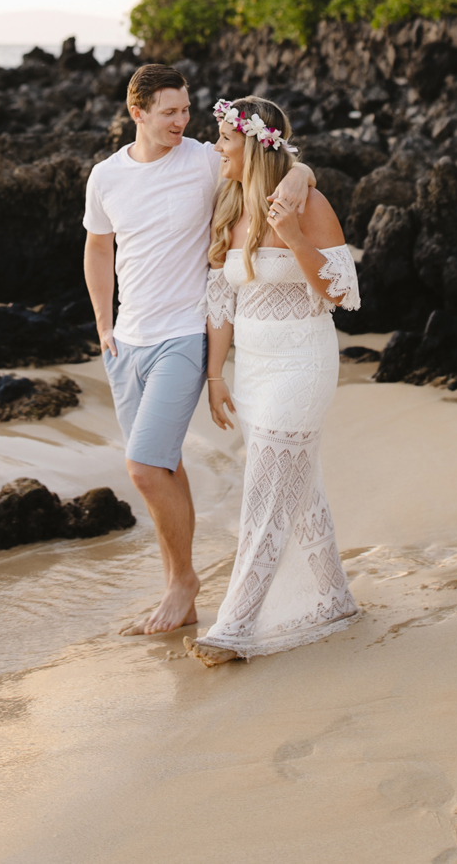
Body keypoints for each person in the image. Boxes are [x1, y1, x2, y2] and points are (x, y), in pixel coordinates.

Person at [82, 63, 314, 637]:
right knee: (164, 464)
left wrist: (300, 174)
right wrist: (103, 324)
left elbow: (274, 158)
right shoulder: (106, 177)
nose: (183, 122)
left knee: (142, 467)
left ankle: (184, 581)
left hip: (183, 334)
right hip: (126, 343)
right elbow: (97, 250)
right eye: (170, 113)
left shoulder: (204, 160)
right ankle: (176, 590)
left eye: (187, 110)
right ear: (138, 113)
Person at [186, 93, 362, 666]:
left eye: (226, 141)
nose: (217, 150)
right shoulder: (229, 203)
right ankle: (333, 597)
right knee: (299, 486)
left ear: (256, 146)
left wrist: (292, 235)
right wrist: (215, 373)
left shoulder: (307, 206)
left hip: (303, 365)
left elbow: (342, 292)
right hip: (255, 370)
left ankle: (233, 627)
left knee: (265, 491)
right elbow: (220, 301)